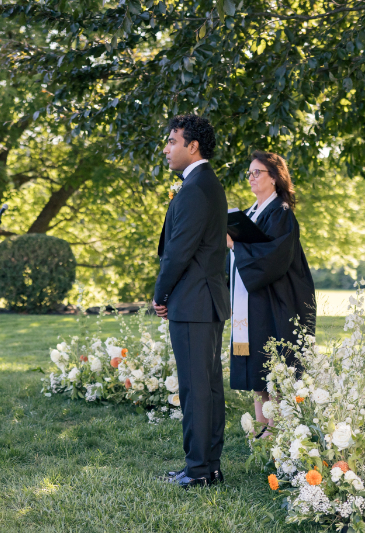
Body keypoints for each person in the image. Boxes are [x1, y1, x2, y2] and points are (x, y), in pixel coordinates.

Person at [153, 115, 232, 489]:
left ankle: (199, 470)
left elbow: (178, 252)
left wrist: (160, 294)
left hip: (194, 302)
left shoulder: (196, 188)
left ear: (192, 146)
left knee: (196, 389)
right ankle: (209, 466)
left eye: (172, 141)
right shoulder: (204, 183)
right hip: (205, 301)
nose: (167, 149)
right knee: (208, 387)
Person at [226, 151, 315, 436]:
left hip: (275, 302)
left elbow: (273, 258)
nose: (251, 178)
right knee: (256, 366)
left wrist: (235, 246)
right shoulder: (251, 213)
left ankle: (277, 433)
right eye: (249, 173)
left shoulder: (281, 213)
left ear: (274, 178)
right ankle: (261, 431)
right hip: (252, 302)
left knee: (273, 367)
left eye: (257, 172)